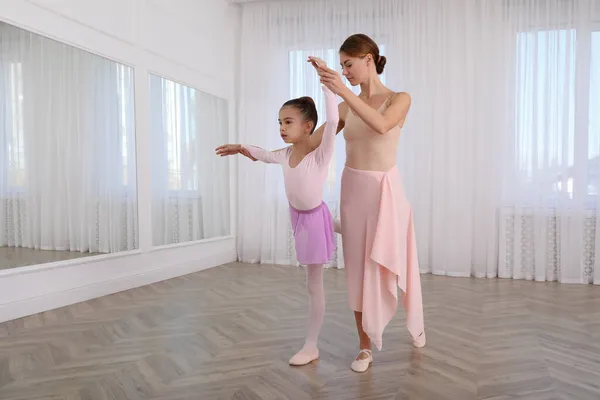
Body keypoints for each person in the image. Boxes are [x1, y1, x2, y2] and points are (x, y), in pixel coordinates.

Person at [306, 33, 425, 373]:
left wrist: (341, 90)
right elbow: (315, 142)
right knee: (358, 269)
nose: (345, 72)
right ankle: (364, 346)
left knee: (396, 262)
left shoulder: (399, 99)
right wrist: (267, 150)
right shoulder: (344, 106)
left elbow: (383, 125)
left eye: (349, 64)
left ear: (369, 59)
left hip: (387, 191)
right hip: (353, 191)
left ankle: (415, 324)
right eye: (341, 67)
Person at [215, 84, 339, 366]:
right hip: (301, 217)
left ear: (308, 127)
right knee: (326, 227)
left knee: (313, 285)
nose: (282, 127)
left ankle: (311, 345)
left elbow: (333, 122)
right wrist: (240, 147)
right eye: (280, 122)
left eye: (288, 122)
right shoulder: (284, 154)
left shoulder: (319, 155)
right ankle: (347, 225)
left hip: (313, 216)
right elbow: (262, 154)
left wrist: (330, 90)